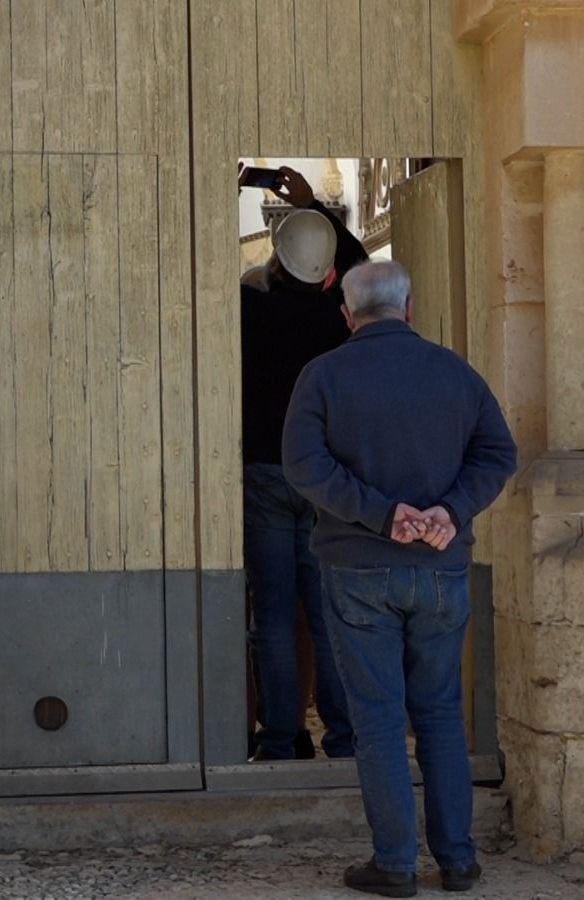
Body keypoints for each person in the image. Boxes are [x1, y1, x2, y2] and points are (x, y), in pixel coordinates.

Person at [281, 260, 518, 896]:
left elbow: (302, 465)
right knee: (440, 712)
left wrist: (384, 516)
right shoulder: (454, 372)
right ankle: (459, 861)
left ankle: (396, 864)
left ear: (347, 314)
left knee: (379, 718)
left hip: (357, 569)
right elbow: (499, 453)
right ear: (409, 308)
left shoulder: (322, 376)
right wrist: (450, 510)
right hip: (441, 568)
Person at [239, 166, 368, 761]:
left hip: (265, 472)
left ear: (276, 259)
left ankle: (282, 737)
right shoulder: (336, 316)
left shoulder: (247, 307)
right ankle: (343, 736)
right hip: (324, 480)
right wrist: (317, 207)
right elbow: (363, 269)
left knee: (272, 613)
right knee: (328, 613)